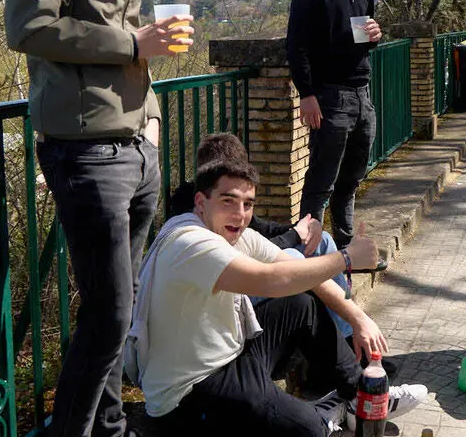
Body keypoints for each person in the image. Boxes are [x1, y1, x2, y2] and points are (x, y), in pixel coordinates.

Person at [4, 0, 194, 437]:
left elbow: (122, 31)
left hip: (132, 142)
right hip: (84, 150)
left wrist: (147, 72)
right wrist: (130, 42)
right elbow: (25, 24)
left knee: (120, 311)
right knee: (108, 315)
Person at [130, 159, 426, 437]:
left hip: (229, 359)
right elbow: (269, 280)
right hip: (190, 397)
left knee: (300, 304)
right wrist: (345, 258)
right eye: (228, 200)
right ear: (202, 202)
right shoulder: (190, 242)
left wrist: (357, 317)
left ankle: (358, 393)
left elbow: (290, 266)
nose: (240, 214)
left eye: (247, 204)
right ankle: (332, 412)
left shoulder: (233, 233)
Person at [165, 133, 393, 366]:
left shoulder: (236, 205)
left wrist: (305, 226)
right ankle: (336, 352)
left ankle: (345, 337)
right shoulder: (190, 207)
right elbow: (244, 257)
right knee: (294, 258)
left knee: (322, 239)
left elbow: (261, 232)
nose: (239, 210)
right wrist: (338, 254)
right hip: (226, 292)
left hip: (249, 277)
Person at [288, 0, 382, 249]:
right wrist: (307, 93)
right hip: (328, 96)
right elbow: (296, 44)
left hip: (362, 94)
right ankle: (306, 255)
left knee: (352, 179)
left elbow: (363, 39)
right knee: (321, 181)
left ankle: (343, 249)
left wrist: (376, 36)